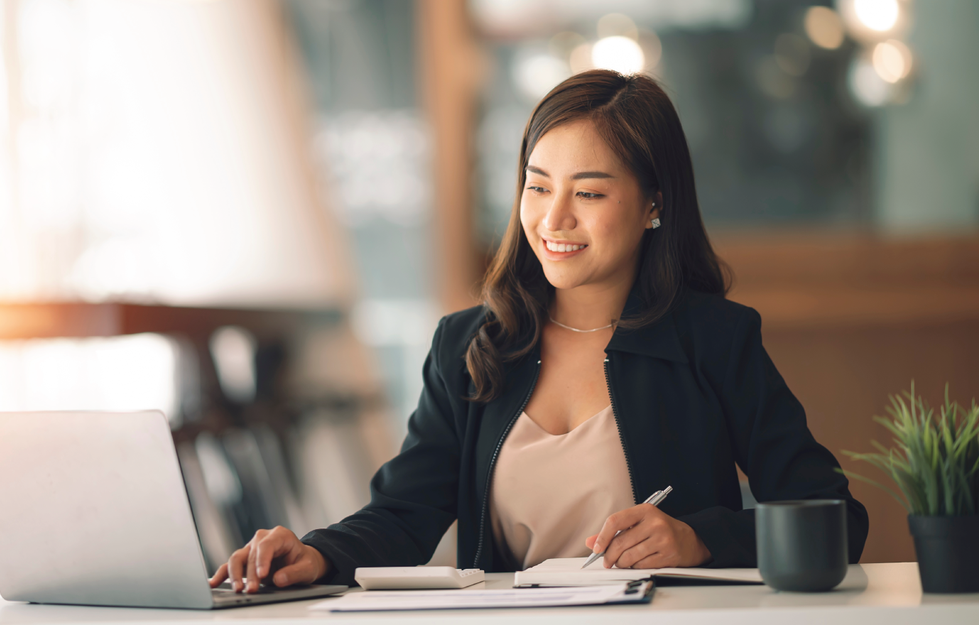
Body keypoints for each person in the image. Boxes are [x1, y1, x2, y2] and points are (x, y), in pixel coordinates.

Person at [209, 69, 869, 593]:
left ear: (654, 204)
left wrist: (702, 539)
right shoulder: (468, 348)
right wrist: (318, 551)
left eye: (588, 193)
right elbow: (404, 514)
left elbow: (836, 520)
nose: (553, 219)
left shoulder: (715, 339)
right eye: (537, 186)